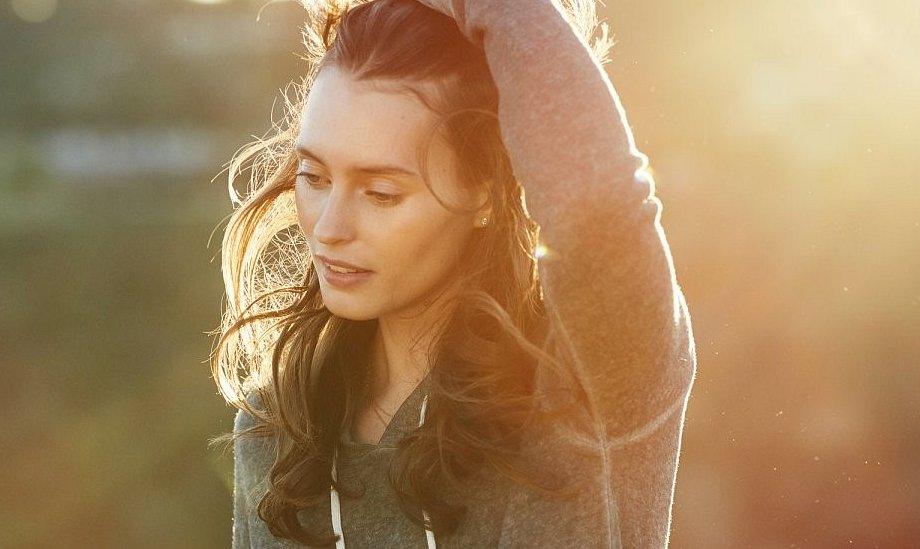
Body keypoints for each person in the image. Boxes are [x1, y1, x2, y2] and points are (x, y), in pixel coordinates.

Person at [211, 0, 697, 546]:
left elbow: (598, 210)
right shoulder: (276, 425)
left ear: (485, 193)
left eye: (381, 193)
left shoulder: (589, 384)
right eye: (314, 176)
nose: (328, 227)